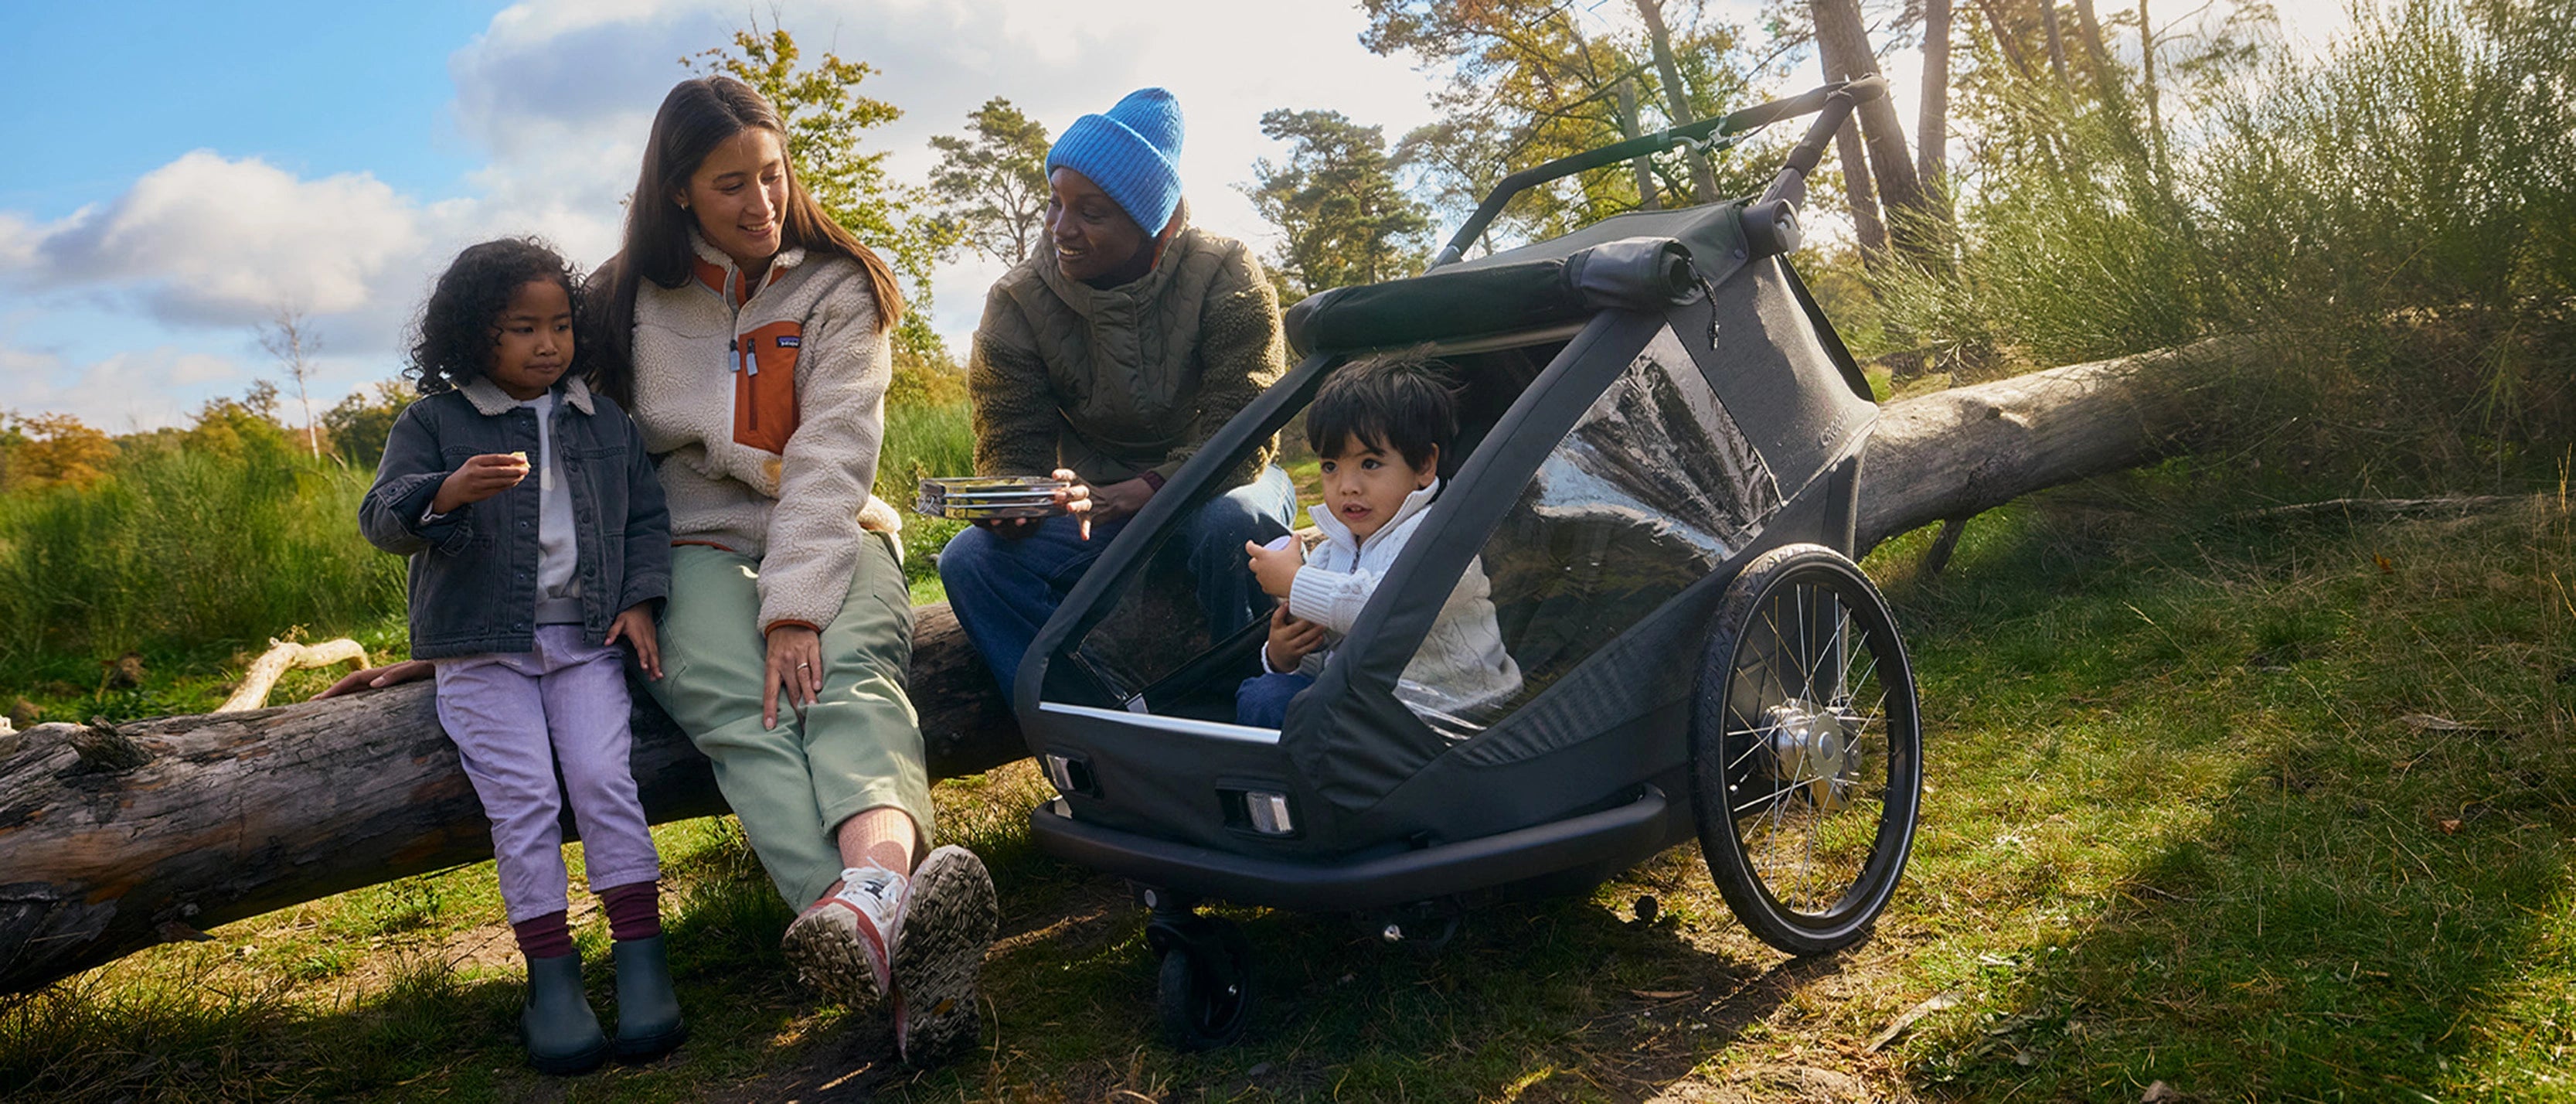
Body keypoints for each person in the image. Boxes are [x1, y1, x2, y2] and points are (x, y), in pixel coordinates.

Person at [325, 77, 1000, 1067]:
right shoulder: (616, 299)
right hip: (684, 547)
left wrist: (797, 607)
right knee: (745, 712)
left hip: (830, 531)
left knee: (849, 684)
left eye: (773, 175)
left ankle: (870, 909)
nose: (760, 202)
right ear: (678, 189)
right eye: (731, 184)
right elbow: (570, 480)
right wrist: (483, 642)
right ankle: (900, 960)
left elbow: (834, 454)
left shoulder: (840, 285)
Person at [357, 237, 681, 1075]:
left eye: (561, 325)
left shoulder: (602, 422)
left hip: (584, 641)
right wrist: (445, 492)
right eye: (522, 328)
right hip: (480, 652)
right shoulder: (432, 422)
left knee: (606, 781)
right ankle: (554, 983)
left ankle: (643, 966)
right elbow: (382, 516)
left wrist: (641, 600)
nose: (548, 344)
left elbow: (645, 518)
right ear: (475, 336)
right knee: (526, 800)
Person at [939, 87, 1297, 699]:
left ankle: (1246, 702)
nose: (1061, 228)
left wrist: (1145, 492)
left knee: (1234, 521)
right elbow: (1009, 434)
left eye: (1091, 212)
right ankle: (1089, 725)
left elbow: (1246, 422)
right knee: (969, 561)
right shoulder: (1018, 299)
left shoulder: (1225, 270)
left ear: (1156, 223)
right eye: (1055, 203)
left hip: (1221, 478)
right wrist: (1015, 501)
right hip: (1094, 503)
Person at [1237, 352, 1522, 734]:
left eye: (1369, 463)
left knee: (1281, 705)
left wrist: (1295, 582)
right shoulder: (1330, 552)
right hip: (1369, 706)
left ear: (1423, 465)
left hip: (1457, 716)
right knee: (1261, 692)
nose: (1347, 485)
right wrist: (1283, 654)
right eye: (1330, 466)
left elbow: (1382, 611)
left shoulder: (1441, 537)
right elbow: (1326, 653)